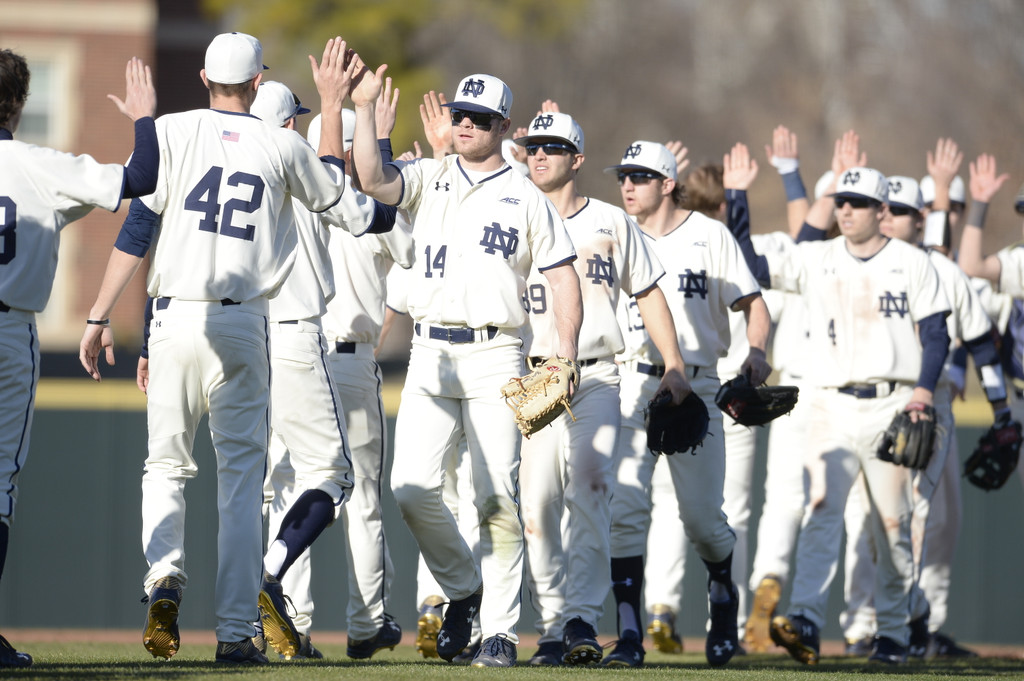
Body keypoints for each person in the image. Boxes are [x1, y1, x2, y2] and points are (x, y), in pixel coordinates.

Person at [78, 33, 357, 664]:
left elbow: (138, 228)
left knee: (164, 467)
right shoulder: (281, 142)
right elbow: (342, 201)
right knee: (240, 485)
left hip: (173, 319)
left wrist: (99, 315)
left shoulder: (170, 131)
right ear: (259, 83)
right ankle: (235, 632)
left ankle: (164, 577)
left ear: (203, 76)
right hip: (243, 324)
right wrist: (335, 107)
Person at [349, 64, 584, 668]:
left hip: (496, 351)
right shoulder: (428, 176)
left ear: (503, 125)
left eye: (479, 118)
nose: (465, 124)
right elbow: (372, 179)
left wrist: (565, 352)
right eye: (459, 115)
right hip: (429, 351)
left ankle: (502, 631)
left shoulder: (527, 197)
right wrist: (370, 112)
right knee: (409, 487)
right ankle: (465, 590)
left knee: (495, 496)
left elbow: (562, 276)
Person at [727, 159, 951, 665]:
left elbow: (936, 335)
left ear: (882, 210)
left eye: (858, 204)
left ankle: (891, 632)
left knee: (891, 524)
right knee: (822, 511)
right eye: (842, 202)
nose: (846, 210)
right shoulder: (818, 256)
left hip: (893, 402)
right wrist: (737, 198)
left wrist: (922, 392)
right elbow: (748, 266)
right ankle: (805, 618)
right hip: (830, 402)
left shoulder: (914, 262)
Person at [0, 49, 158, 668]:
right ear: (20, 104)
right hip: (9, 333)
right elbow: (138, 177)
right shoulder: (39, 165)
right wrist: (144, 119)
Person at [512, 112, 688, 666]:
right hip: (536, 377)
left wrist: (674, 364)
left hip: (596, 374)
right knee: (537, 503)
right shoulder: (512, 211)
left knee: (589, 488)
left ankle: (582, 620)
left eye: (553, 147)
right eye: (533, 146)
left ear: (578, 159)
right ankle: (550, 625)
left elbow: (650, 291)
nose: (540, 155)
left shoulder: (611, 221)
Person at [606, 140, 772, 668]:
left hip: (697, 385)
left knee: (702, 521)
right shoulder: (612, 233)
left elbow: (754, 304)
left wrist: (759, 352)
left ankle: (722, 592)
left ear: (668, 183)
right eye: (623, 177)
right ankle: (630, 632)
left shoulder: (709, 235)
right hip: (633, 382)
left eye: (640, 176)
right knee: (626, 512)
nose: (627, 186)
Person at [838, 173, 1004, 659]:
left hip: (928, 412)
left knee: (924, 520)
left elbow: (980, 343)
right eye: (883, 208)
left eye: (898, 211)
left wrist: (1002, 413)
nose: (886, 215)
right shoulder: (852, 264)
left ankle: (911, 623)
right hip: (865, 408)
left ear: (920, 220)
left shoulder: (942, 271)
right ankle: (869, 624)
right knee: (866, 518)